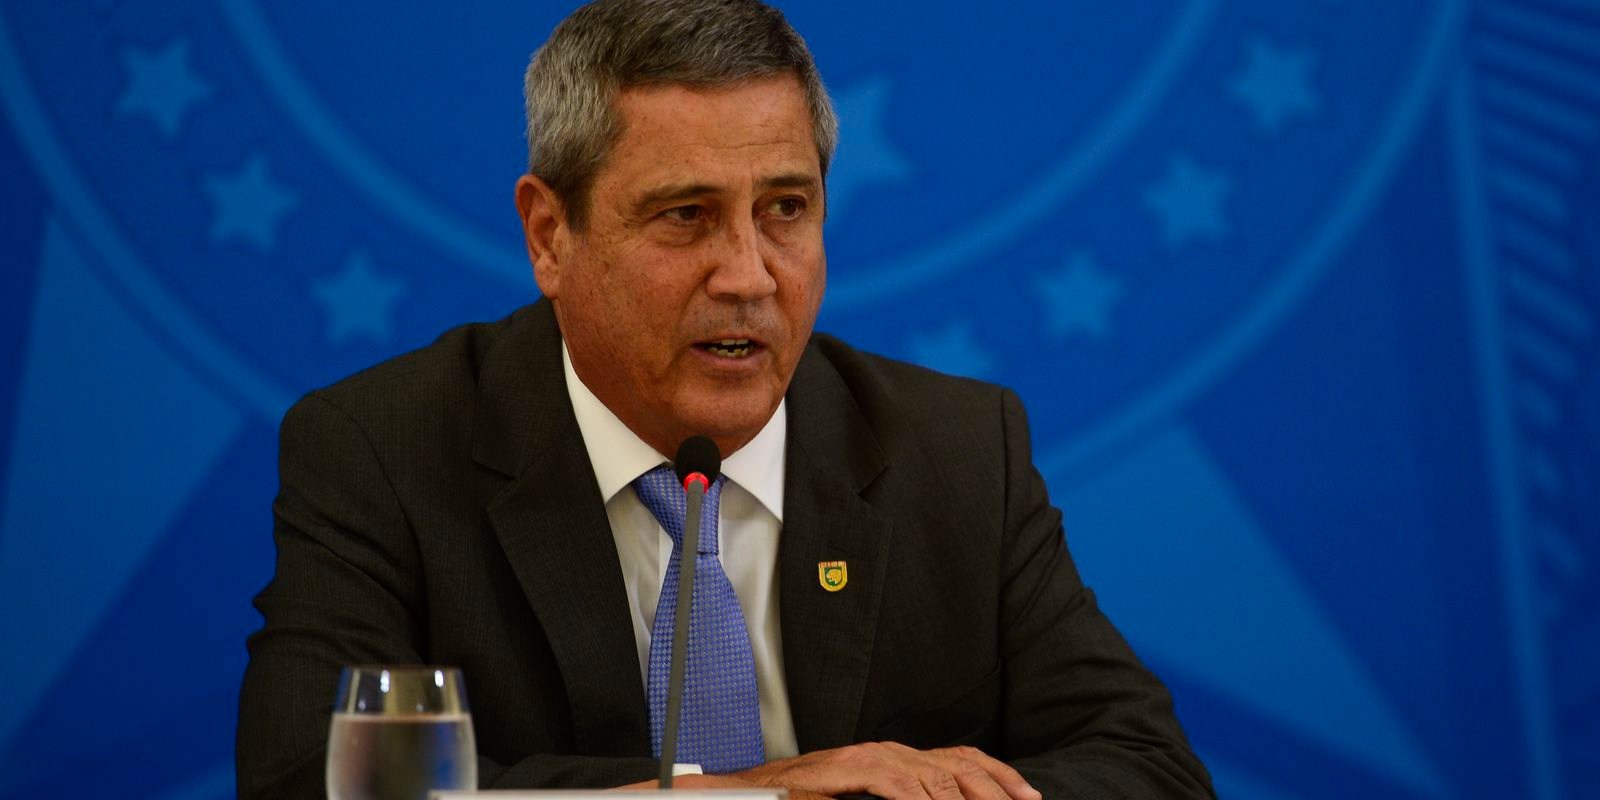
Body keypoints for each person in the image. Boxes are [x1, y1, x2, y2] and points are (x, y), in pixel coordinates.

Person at [236, 1, 1215, 797]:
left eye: (785, 209)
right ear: (549, 236)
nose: (748, 275)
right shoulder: (384, 450)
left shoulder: (955, 450)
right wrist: (758, 794)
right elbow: (306, 778)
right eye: (685, 215)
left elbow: (1149, 769)